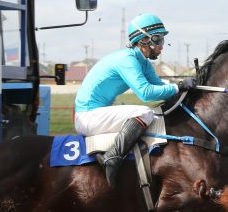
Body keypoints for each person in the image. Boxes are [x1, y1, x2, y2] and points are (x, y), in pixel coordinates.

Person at [74, 13, 196, 187]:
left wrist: (188, 91)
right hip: (87, 118)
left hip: (97, 115)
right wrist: (179, 86)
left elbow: (161, 89)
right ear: (145, 40)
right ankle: (112, 158)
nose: (162, 46)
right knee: (145, 112)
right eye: (159, 40)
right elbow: (146, 93)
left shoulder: (143, 63)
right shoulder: (127, 59)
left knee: (151, 116)